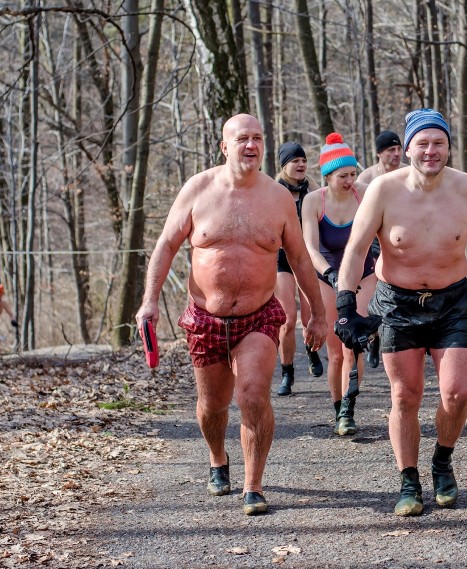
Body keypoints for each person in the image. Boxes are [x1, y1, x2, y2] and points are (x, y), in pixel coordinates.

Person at [135, 114, 328, 516]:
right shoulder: (198, 190)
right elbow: (166, 246)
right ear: (225, 147)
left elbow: (299, 259)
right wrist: (149, 300)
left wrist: (317, 314)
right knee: (212, 405)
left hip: (258, 316)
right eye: (242, 139)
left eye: (257, 138)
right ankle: (218, 458)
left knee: (253, 396)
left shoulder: (277, 198)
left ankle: (253, 485)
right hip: (205, 317)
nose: (250, 145)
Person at [334, 109, 467, 516]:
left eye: (439, 143)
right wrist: (345, 304)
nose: (431, 151)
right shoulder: (383, 190)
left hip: (452, 303)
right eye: (423, 143)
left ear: (449, 147)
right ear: (408, 147)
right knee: (405, 395)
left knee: (457, 392)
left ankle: (442, 462)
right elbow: (357, 248)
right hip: (397, 303)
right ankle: (408, 480)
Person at [301, 133, 377, 436]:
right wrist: (332, 276)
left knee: (352, 346)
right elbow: (310, 248)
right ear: (327, 176)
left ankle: (349, 408)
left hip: (363, 275)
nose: (350, 180)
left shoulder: (367, 194)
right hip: (327, 276)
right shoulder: (312, 201)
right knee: (335, 351)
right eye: (343, 175)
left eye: (353, 173)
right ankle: (337, 409)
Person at [274, 142, 325, 396]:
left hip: (305, 258)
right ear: (284, 165)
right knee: (287, 319)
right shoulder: (273, 191)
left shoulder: (313, 190)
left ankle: (312, 351)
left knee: (308, 318)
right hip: (281, 259)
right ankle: (287, 372)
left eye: (303, 160)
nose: (301, 164)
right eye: (295, 161)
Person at [356, 130, 405, 369]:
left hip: (404, 239)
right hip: (375, 239)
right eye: (390, 150)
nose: (396, 154)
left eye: (398, 149)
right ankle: (374, 337)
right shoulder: (366, 179)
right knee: (377, 288)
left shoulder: (409, 173)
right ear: (378, 153)